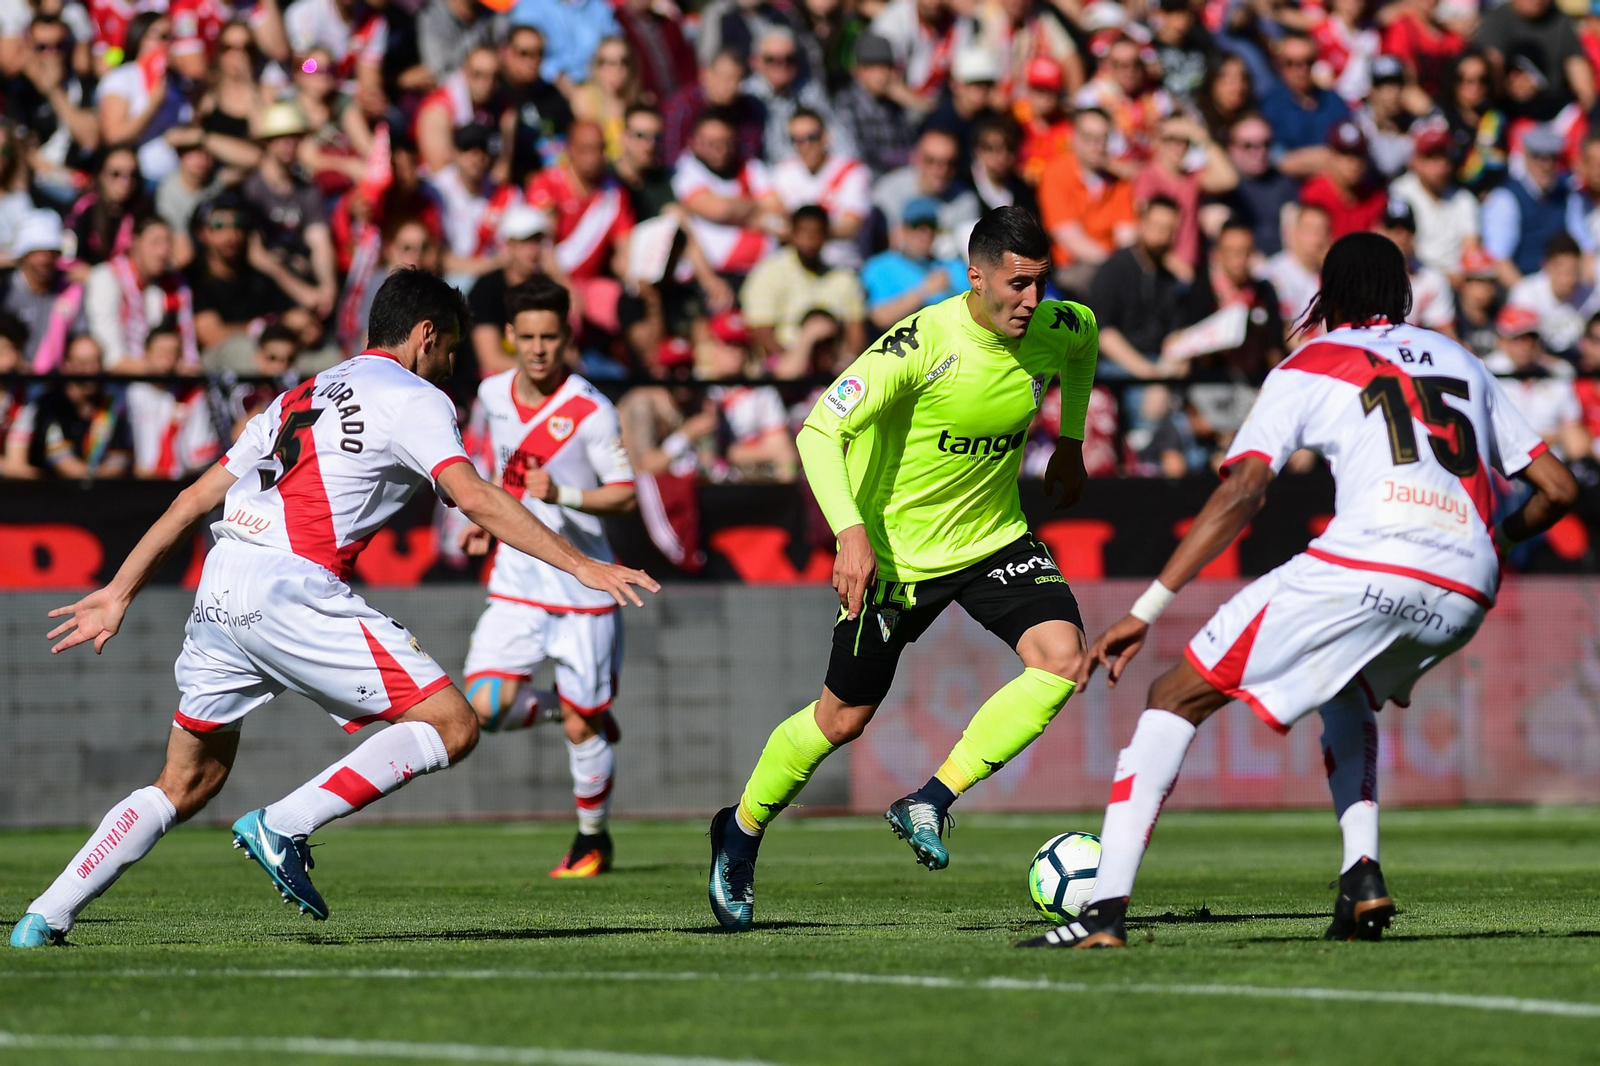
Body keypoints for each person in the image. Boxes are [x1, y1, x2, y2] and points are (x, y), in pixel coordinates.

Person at [8, 268, 658, 949]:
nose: (452, 366)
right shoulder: (416, 396)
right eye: (451, 350)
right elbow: (475, 494)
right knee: (454, 724)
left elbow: (194, 500)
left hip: (222, 583)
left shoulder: (303, 390)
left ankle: (43, 915)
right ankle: (284, 823)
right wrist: (583, 564)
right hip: (292, 586)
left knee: (185, 780)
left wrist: (119, 592)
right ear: (425, 335)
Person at [1022, 232, 1579, 950]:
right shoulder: (1461, 358)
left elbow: (1245, 491)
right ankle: (1361, 877)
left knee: (1172, 697)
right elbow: (1558, 489)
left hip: (1372, 561)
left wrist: (1144, 608)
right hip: (1468, 584)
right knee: (1344, 689)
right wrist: (1490, 544)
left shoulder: (1310, 362)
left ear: (1330, 296)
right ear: (1403, 294)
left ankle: (1101, 917)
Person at [706, 206, 1097, 931]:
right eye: (1016, 285)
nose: (1031, 302)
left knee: (1062, 659)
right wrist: (850, 534)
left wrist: (1069, 439)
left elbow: (1082, 349)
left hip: (994, 539)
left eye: (1040, 284)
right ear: (973, 277)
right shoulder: (920, 344)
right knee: (841, 718)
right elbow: (819, 429)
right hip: (896, 557)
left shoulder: (1061, 324)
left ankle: (932, 799)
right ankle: (741, 830)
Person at [456, 277, 638, 877]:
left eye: (549, 337)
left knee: (587, 730)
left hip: (583, 589)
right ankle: (569, 707)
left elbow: (625, 495)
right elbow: (492, 470)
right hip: (518, 578)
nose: (538, 349)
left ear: (567, 336)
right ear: (509, 337)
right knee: (483, 704)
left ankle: (592, 839)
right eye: (527, 337)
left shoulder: (592, 410)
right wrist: (486, 522)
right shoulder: (490, 394)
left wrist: (563, 493)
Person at [740, 204, 867, 361]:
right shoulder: (768, 273)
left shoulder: (845, 278)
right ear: (792, 233)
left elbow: (856, 335)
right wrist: (795, 367)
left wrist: (842, 369)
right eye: (804, 232)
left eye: (817, 232)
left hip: (833, 371)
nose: (810, 240)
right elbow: (762, 334)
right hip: (783, 373)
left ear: (826, 235)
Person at [1038, 107, 1136, 296]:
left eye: (1102, 138)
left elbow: (1127, 236)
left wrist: (1126, 268)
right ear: (1074, 138)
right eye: (1089, 138)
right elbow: (1070, 238)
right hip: (1072, 267)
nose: (1096, 145)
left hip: (1113, 265)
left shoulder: (1118, 181)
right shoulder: (1056, 174)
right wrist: (1116, 268)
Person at [83, 216, 198, 373]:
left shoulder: (177, 285)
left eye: (168, 243)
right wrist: (160, 368)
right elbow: (113, 360)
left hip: (169, 384)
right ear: (134, 242)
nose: (163, 252)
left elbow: (190, 356)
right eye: (155, 243)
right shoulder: (107, 277)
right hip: (121, 388)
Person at [1089, 196, 1184, 380]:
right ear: (1141, 223)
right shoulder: (1113, 270)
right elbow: (1102, 332)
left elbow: (1175, 331)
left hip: (1159, 365)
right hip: (1118, 366)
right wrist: (1150, 375)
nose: (1161, 236)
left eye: (1169, 229)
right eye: (1156, 226)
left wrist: (1170, 367)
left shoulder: (1169, 279)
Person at [1487, 303, 1595, 462]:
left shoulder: (1557, 373)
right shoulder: (1487, 372)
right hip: (1502, 461)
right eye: (1518, 338)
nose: (1525, 345)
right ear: (1503, 341)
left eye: (1531, 338)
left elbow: (1571, 427)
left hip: (1551, 461)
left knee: (1578, 444)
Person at [1481, 124, 1586, 286]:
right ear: (1526, 157)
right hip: (1522, 286)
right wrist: (1528, 298)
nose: (1546, 165)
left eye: (1551, 158)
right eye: (1538, 157)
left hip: (1563, 288)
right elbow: (1499, 260)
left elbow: (1585, 248)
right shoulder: (1506, 198)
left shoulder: (1568, 195)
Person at [770, 107, 870, 269]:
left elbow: (850, 227)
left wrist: (801, 232)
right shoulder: (783, 171)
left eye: (812, 137)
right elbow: (772, 220)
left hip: (840, 265)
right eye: (797, 140)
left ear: (826, 138)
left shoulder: (853, 172)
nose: (805, 145)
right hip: (795, 268)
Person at [23, 333, 133, 479]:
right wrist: (93, 476)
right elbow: (62, 462)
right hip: (53, 494)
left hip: (105, 494)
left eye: (96, 362)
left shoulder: (112, 405)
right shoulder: (50, 405)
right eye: (83, 363)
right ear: (66, 366)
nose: (91, 370)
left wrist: (93, 479)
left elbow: (120, 458)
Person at [860, 195, 969, 331]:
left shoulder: (953, 266)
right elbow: (880, 318)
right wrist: (925, 291)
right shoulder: (878, 267)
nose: (926, 234)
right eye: (917, 226)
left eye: (931, 226)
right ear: (903, 230)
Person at [126, 321, 217, 478]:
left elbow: (199, 456)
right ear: (146, 353)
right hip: (132, 484)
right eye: (160, 353)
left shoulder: (192, 395)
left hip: (178, 484)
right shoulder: (130, 394)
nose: (166, 360)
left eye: (172, 353)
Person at [1388, 127, 1480, 278]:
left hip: (1460, 280)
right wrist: (1445, 277)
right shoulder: (1400, 194)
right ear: (1414, 161)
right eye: (1430, 157)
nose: (1440, 165)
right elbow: (1402, 244)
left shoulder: (1463, 199)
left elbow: (1471, 248)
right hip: (1416, 275)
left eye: (1443, 156)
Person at [1259, 31, 1349, 176]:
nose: (1301, 70)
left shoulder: (1334, 101)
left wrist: (1302, 159)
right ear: (1278, 64)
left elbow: (1351, 156)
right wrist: (1327, 157)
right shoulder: (1268, 106)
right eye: (1291, 63)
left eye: (1308, 61)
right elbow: (1279, 161)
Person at [834, 32, 920, 178]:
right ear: (858, 71)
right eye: (874, 67)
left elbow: (916, 146)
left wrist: (911, 103)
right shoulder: (846, 105)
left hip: (904, 178)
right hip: (869, 182)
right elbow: (854, 159)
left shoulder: (896, 102)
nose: (882, 75)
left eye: (886, 67)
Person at [1507, 233, 1600, 358]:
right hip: (1536, 366)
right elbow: (1517, 344)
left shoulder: (1590, 296)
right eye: (1564, 272)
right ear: (1547, 266)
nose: (1570, 279)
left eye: (1574, 271)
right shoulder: (1525, 294)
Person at [1220, 113, 1298, 258]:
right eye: (1248, 145)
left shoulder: (1283, 182)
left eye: (1266, 144)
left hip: (1279, 265)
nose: (1259, 152)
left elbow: (1292, 234)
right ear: (1231, 148)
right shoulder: (1223, 188)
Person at [1298, 119, 1386, 240]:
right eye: (1345, 154)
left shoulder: (1376, 198)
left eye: (1358, 155)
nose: (1353, 163)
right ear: (1331, 156)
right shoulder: (1312, 195)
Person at [1262, 203, 1332, 329]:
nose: (1318, 239)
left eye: (1324, 231)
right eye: (1311, 231)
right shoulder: (1274, 275)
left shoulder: (1329, 276)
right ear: (1294, 233)